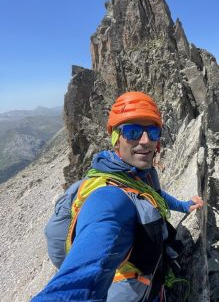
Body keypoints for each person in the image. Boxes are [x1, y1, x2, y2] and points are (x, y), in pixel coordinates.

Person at [32, 91, 203, 302]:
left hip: (152, 283)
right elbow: (77, 282)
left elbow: (154, 196)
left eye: (153, 132)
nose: (145, 141)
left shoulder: (143, 173)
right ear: (115, 139)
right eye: (132, 132)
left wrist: (184, 206)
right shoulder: (108, 198)